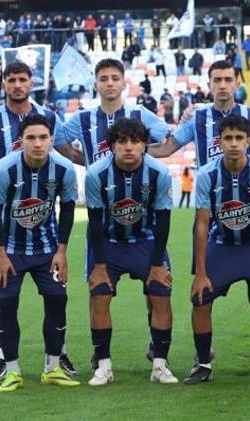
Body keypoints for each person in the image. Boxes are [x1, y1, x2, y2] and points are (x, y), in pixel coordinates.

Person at [149, 61, 250, 369]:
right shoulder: (198, 117)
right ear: (209, 84)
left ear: (236, 82)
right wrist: (132, 148)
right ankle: (205, 352)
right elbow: (168, 148)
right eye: (217, 80)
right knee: (204, 289)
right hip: (212, 214)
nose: (223, 85)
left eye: (228, 79)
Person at [0, 62, 80, 381]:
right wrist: (9, 189)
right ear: (4, 84)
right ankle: (6, 361)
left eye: (23, 79)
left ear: (32, 83)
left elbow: (66, 154)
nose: (18, 85)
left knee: (57, 298)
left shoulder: (50, 117)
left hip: (45, 233)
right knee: (7, 302)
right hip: (9, 226)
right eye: (12, 80)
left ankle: (57, 357)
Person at [184, 115, 250, 385]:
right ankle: (203, 364)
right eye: (228, 138)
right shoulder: (207, 174)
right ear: (219, 142)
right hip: (222, 245)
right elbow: (201, 224)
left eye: (239, 138)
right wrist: (200, 273)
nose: (233, 144)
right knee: (200, 298)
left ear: (248, 141)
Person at [85, 117, 177, 386]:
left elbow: (163, 221)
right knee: (99, 297)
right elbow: (94, 222)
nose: (128, 147)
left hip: (146, 242)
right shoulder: (96, 174)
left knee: (161, 296)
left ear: (144, 145)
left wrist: (157, 264)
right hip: (109, 243)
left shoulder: (159, 173)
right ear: (112, 146)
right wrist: (99, 265)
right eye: (122, 141)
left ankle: (160, 365)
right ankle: (103, 366)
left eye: (135, 141)